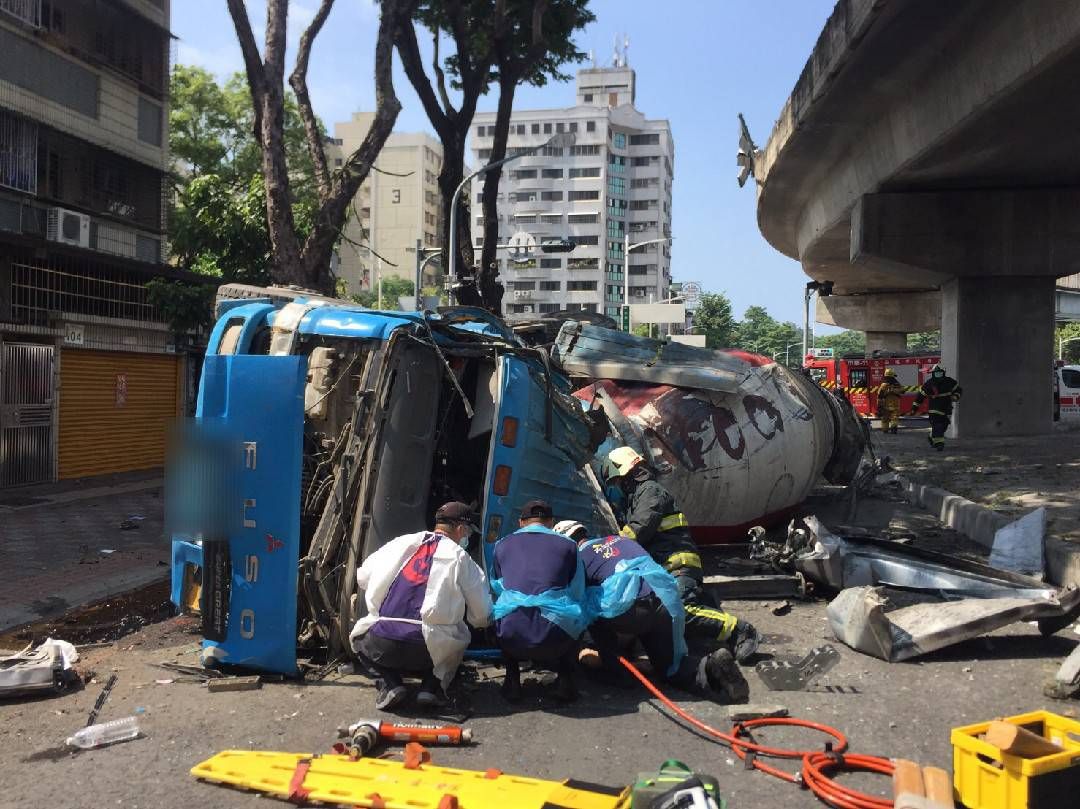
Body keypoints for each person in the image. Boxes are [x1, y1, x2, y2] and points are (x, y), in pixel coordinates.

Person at [555, 521, 749, 704]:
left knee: (590, 611)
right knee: (670, 669)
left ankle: (617, 672)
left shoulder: (579, 558)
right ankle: (711, 666)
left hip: (634, 610)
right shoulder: (621, 540)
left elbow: (575, 602)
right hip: (667, 601)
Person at [601, 446, 759, 663]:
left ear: (625, 476)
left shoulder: (650, 491)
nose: (614, 490)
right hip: (665, 568)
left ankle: (740, 630)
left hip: (678, 565)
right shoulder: (637, 498)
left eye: (614, 483)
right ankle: (706, 604)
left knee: (679, 611)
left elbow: (639, 529)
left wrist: (611, 546)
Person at [349, 502, 492, 712]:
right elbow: (481, 615)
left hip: (384, 641)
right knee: (457, 636)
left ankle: (391, 684)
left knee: (359, 638)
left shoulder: (401, 542)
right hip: (429, 650)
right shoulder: (462, 558)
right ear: (461, 529)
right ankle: (430, 688)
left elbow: (362, 576)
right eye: (468, 531)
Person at [491, 500, 588, 703]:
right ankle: (565, 682)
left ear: (520, 522)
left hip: (512, 636)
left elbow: (498, 588)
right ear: (551, 522)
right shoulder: (569, 545)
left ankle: (512, 681)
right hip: (555, 638)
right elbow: (578, 592)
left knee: (501, 611)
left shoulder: (501, 545)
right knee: (578, 614)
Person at [910, 364, 962, 451]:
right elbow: (920, 397)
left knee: (944, 426)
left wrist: (956, 396)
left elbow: (958, 390)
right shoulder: (929, 384)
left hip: (946, 409)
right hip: (934, 409)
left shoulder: (949, 381)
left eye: (940, 373)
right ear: (933, 374)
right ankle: (939, 443)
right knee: (938, 425)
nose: (938, 375)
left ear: (943, 373)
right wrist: (914, 408)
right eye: (937, 374)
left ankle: (932, 436)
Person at [876, 368, 905, 434]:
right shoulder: (897, 384)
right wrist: (895, 391)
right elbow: (903, 391)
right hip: (895, 404)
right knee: (894, 417)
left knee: (885, 419)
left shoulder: (883, 385)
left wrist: (879, 406)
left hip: (885, 405)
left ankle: (885, 430)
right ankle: (893, 429)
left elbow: (879, 395)